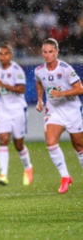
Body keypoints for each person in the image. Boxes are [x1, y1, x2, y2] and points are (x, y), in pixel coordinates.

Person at [35, 38, 83, 194]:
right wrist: (40, 100)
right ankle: (65, 177)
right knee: (50, 141)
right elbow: (39, 82)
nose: (47, 55)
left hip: (71, 110)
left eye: (50, 52)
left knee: (79, 146)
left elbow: (80, 89)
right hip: (54, 111)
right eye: (45, 52)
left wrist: (61, 93)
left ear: (56, 52)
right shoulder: (39, 70)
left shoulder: (66, 69)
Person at [0, 44, 33, 186]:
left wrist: (3, 85)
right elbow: (1, 90)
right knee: (3, 139)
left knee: (18, 144)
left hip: (18, 109)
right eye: (0, 54)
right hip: (3, 109)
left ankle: (28, 167)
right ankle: (3, 175)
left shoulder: (17, 70)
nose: (3, 56)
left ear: (10, 55)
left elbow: (21, 89)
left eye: (6, 54)